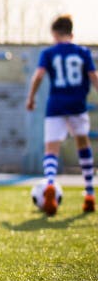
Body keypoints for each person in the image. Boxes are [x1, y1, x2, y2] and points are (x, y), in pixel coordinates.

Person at [25, 15, 97, 215]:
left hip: (56, 105)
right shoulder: (83, 52)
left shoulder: (49, 52)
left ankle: (49, 182)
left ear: (54, 34)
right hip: (77, 105)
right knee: (83, 144)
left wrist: (31, 98)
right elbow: (93, 77)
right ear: (71, 33)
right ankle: (90, 192)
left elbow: (38, 75)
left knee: (51, 149)